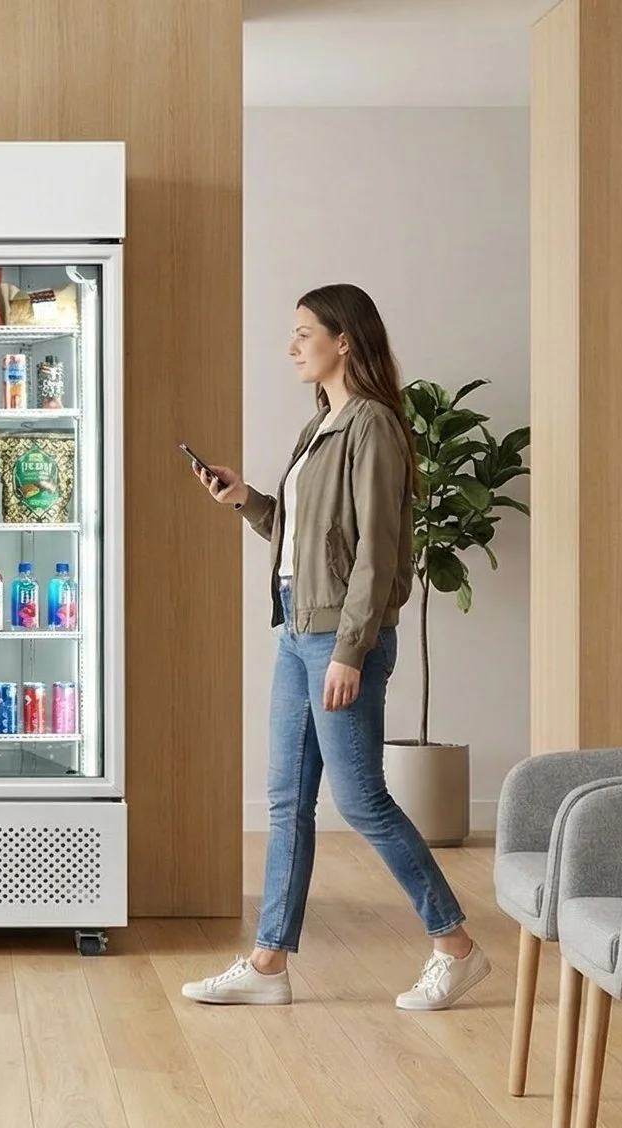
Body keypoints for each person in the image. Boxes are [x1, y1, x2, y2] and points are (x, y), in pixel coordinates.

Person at [180, 284, 487, 1010]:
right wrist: (247, 500)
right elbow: (305, 536)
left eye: (304, 333)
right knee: (287, 800)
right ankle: (267, 961)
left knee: (362, 799)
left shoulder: (372, 425)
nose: (293, 345)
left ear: (344, 341)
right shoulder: (323, 422)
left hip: (338, 637)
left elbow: (378, 553)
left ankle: (457, 946)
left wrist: (351, 649)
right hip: (297, 628)